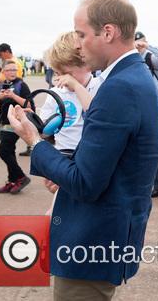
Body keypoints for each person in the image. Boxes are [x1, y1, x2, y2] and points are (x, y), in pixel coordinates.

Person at [8, 0, 158, 301]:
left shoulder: (118, 88)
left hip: (93, 242)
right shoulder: (133, 77)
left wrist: (34, 142)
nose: (77, 44)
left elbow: (85, 182)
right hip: (108, 233)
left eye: (80, 34)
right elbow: (106, 157)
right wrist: (60, 169)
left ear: (108, 32)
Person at [41, 31, 105, 213]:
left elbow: (96, 115)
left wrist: (77, 87)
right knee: (56, 215)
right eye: (58, 73)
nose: (61, 78)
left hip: (90, 163)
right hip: (65, 161)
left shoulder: (102, 87)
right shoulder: (56, 93)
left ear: (86, 64)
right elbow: (45, 130)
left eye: (66, 73)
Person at [134, 31, 158, 198]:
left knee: (147, 145)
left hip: (151, 106)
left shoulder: (150, 58)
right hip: (137, 104)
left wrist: (147, 46)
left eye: (140, 41)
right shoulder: (132, 59)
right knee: (140, 145)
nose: (137, 45)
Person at [0, 60, 32, 194]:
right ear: (3, 72)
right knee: (10, 152)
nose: (13, 72)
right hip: (3, 123)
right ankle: (12, 181)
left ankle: (21, 177)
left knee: (4, 152)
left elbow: (30, 105)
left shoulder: (21, 85)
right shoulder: (1, 85)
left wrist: (13, 96)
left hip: (16, 123)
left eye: (15, 70)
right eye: (9, 70)